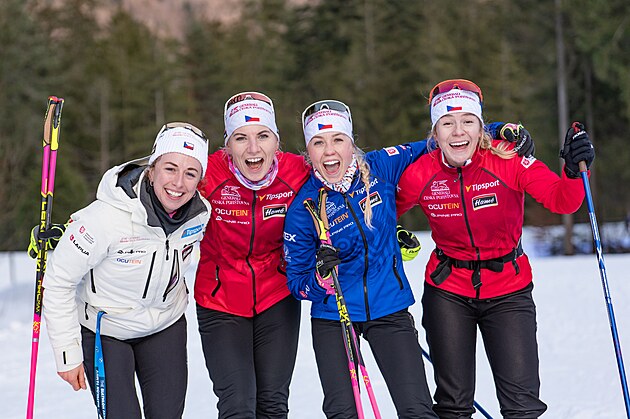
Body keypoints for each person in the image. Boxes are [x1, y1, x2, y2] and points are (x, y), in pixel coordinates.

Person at [395, 79, 595, 418]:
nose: (458, 131)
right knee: (453, 405)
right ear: (435, 132)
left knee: (522, 406)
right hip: (448, 290)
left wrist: (574, 172)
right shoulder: (420, 173)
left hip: (509, 289)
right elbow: (380, 215)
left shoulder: (508, 159)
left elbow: (562, 201)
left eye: (467, 121)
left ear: (480, 127)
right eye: (447, 123)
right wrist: (393, 233)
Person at [41, 122, 211, 418]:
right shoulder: (104, 218)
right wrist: (67, 353)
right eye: (170, 168)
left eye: (190, 173)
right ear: (152, 169)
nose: (178, 183)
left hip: (165, 325)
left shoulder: (199, 216)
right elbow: (58, 281)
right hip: (106, 331)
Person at [283, 99, 439, 418]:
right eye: (318, 142)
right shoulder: (304, 207)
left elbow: (441, 142)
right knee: (342, 412)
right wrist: (320, 279)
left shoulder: (381, 167)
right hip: (335, 317)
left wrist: (497, 130)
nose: (329, 151)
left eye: (338, 140)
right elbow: (297, 283)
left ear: (351, 143)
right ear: (308, 151)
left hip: (389, 305)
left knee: (417, 410)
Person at [194, 92, 310, 418]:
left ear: (277, 141)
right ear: (227, 145)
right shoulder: (208, 173)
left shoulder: (298, 171)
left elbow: (348, 181)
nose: (253, 148)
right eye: (241, 138)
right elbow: (157, 183)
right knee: (237, 406)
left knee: (272, 404)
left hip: (277, 295)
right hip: (219, 298)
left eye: (263, 136)